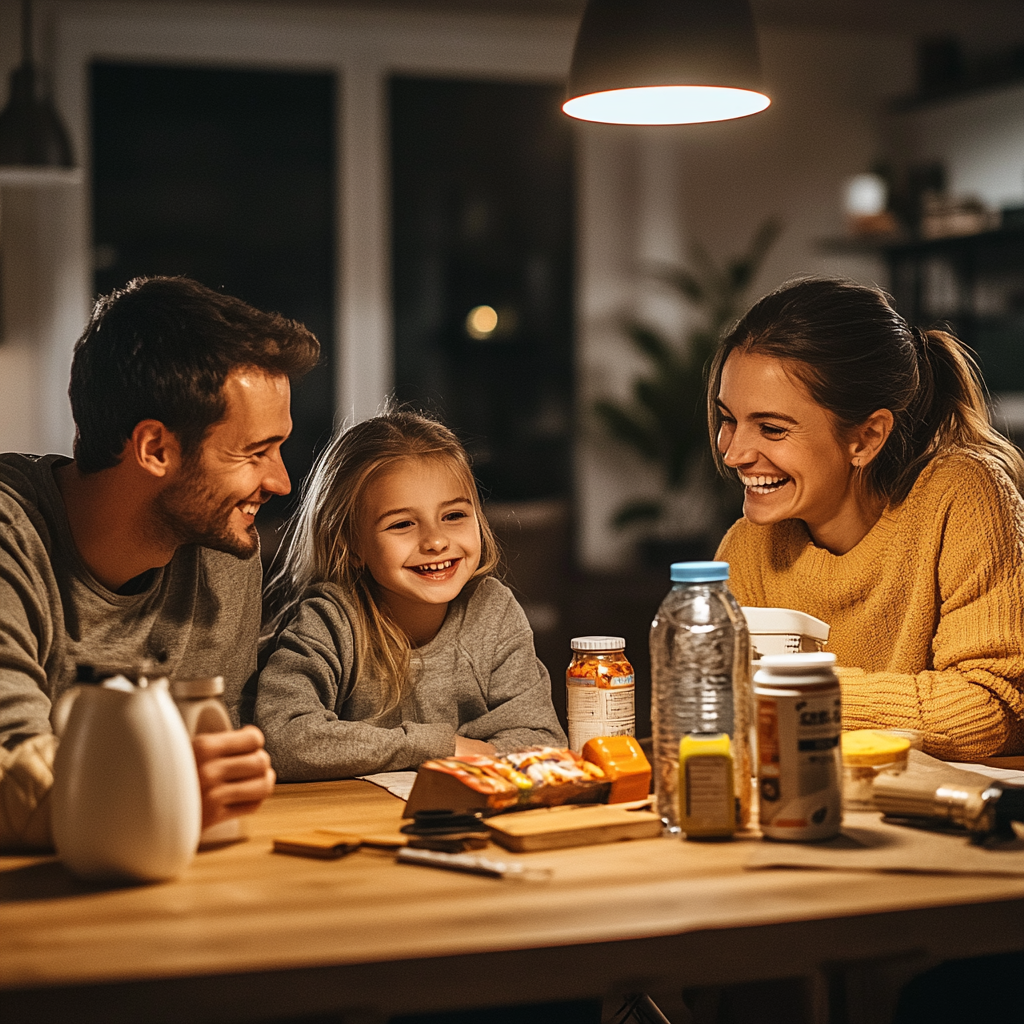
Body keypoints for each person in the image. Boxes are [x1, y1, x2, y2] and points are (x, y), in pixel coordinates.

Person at [0, 275, 320, 849]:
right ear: (155, 449)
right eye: (253, 453)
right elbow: (10, 771)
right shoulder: (11, 536)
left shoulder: (223, 551)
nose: (280, 481)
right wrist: (161, 786)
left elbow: (218, 779)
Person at [709, 277, 1024, 760]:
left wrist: (794, 690)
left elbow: (991, 711)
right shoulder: (747, 547)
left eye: (771, 428)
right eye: (728, 419)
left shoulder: (963, 495)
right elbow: (722, 718)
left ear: (866, 438)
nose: (733, 453)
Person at [254, 409, 566, 780]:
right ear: (352, 545)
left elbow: (542, 744)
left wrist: (361, 748)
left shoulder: (492, 611)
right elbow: (283, 740)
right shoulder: (330, 621)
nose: (435, 541)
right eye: (402, 524)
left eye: (453, 516)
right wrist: (442, 747)